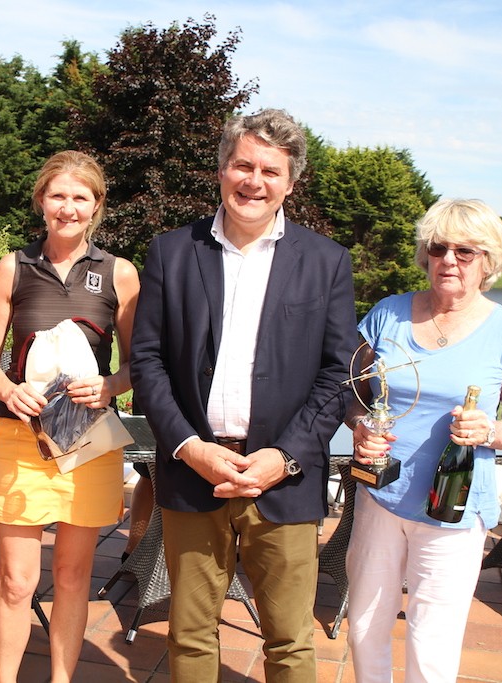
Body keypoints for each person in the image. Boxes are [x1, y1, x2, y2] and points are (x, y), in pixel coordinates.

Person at [130, 108, 358, 682]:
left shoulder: (326, 262)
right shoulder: (172, 253)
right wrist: (188, 446)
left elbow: (339, 373)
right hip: (193, 472)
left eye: (270, 171)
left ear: (290, 181)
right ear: (223, 170)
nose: (254, 181)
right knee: (190, 635)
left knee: (289, 640)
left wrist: (283, 458)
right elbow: (148, 361)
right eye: (243, 165)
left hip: (285, 478)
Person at [346, 198, 502, 683]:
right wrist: (360, 425)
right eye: (438, 248)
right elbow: (351, 394)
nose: (448, 260)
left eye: (465, 251)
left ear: (489, 260)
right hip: (380, 496)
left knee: (432, 642)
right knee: (365, 626)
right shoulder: (388, 313)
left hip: (452, 507)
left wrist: (489, 431)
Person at [0, 150, 139, 683]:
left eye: (80, 198)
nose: (68, 207)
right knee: (17, 581)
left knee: (71, 576)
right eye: (58, 196)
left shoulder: (120, 273)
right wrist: (9, 389)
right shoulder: (14, 266)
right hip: (20, 440)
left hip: (87, 441)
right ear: (42, 200)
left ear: (96, 206)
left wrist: (110, 384)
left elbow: (139, 364)